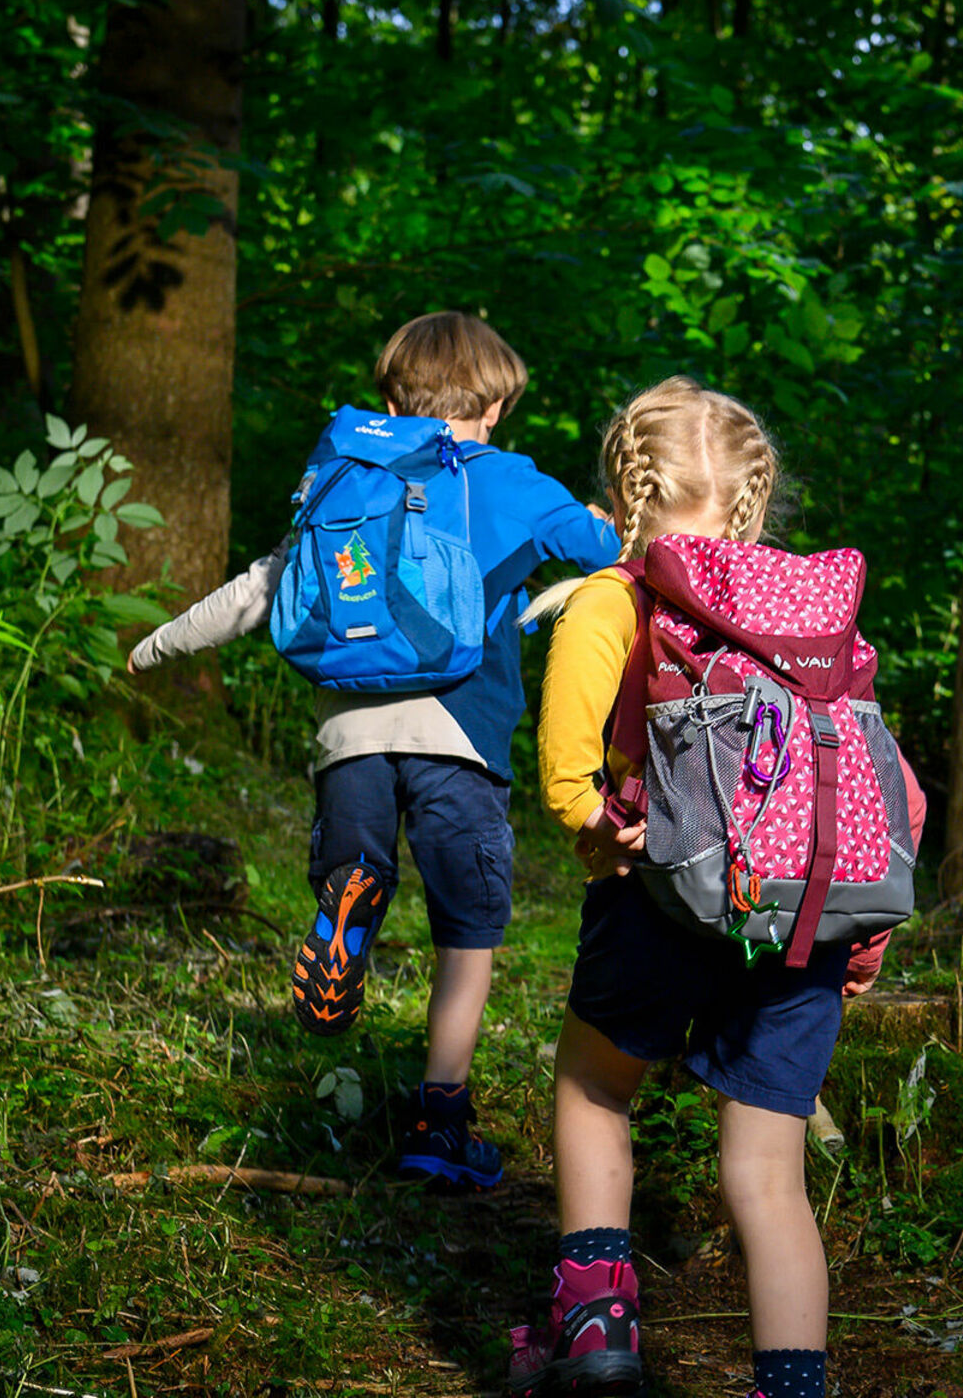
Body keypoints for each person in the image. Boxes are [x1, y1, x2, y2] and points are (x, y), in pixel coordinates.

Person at [127, 312, 620, 1191]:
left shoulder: (341, 477)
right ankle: (440, 1120)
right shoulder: (505, 479)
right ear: (498, 403)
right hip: (459, 741)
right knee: (467, 933)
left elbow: (261, 588)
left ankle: (347, 898)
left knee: (358, 865)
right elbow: (605, 550)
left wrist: (158, 645)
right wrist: (593, 521)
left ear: (393, 397)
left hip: (347, 739)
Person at [507, 376, 924, 1398]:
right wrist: (859, 944)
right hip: (805, 922)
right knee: (769, 1176)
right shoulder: (811, 613)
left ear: (624, 493)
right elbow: (891, 790)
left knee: (595, 1087)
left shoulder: (621, 592)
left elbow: (564, 752)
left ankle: (598, 1328)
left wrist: (597, 828)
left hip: (661, 898)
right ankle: (790, 1385)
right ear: (754, 501)